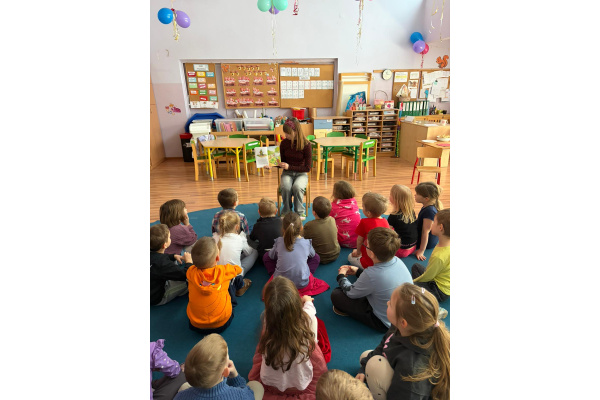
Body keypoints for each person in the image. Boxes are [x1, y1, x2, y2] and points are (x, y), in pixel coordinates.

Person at [356, 283, 450, 400]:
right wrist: (363, 368)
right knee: (366, 357)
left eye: (391, 304)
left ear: (403, 322)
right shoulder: (400, 327)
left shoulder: (412, 367)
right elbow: (384, 345)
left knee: (374, 365)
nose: (387, 303)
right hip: (399, 367)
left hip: (406, 390)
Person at [248, 276, 328, 399]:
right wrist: (307, 301)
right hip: (300, 384)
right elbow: (310, 312)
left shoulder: (267, 321)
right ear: (296, 301)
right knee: (315, 331)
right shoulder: (307, 319)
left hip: (271, 383)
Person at [331, 228, 412, 333]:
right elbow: (377, 281)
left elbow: (351, 293)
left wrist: (341, 276)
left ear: (372, 254)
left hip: (383, 323)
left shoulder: (371, 274)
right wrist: (358, 271)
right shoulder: (397, 260)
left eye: (367, 245)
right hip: (402, 314)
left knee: (336, 294)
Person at [186, 237, 250, 334]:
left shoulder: (190, 272)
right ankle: (242, 286)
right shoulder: (223, 271)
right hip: (222, 324)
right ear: (217, 258)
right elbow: (238, 269)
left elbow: (190, 268)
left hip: (195, 325)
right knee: (235, 279)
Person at [174, 333, 263, 400]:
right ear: (225, 372)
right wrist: (235, 377)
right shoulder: (240, 395)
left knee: (184, 386)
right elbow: (248, 394)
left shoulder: (180, 396)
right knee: (256, 386)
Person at [263, 212, 329, 296]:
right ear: (301, 228)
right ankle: (304, 274)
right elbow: (313, 255)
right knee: (316, 257)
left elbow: (271, 256)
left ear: (283, 229)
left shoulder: (279, 241)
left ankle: (274, 274)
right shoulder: (306, 243)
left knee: (266, 256)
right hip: (302, 284)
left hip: (281, 284)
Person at [412, 209, 450, 304]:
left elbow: (427, 277)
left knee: (410, 288)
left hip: (439, 291)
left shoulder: (439, 257)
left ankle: (429, 303)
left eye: (434, 222)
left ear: (440, 227)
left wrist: (412, 282)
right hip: (436, 278)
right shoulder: (445, 245)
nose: (431, 224)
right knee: (416, 267)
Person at [277, 117, 312, 218]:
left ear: (295, 131)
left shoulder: (306, 145)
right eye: (285, 133)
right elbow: (282, 162)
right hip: (287, 173)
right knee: (286, 187)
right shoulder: (284, 143)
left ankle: (299, 212)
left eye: (288, 133)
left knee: (297, 187)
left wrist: (289, 167)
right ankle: (286, 211)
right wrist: (271, 165)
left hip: (301, 174)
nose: (285, 135)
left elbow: (307, 168)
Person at [150, 224, 192, 306]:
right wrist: (189, 262)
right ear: (164, 245)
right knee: (190, 281)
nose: (170, 238)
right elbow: (185, 274)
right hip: (157, 297)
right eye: (169, 237)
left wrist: (173, 256)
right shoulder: (162, 263)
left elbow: (158, 257)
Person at [347, 192, 391, 269]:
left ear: (368, 213)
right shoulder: (385, 221)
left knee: (350, 257)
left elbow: (359, 240)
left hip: (368, 263)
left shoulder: (364, 222)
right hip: (382, 260)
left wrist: (358, 252)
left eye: (363, 207)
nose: (362, 208)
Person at [213, 210, 258, 277]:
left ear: (219, 227)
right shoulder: (240, 238)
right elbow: (248, 252)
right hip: (235, 276)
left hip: (217, 274)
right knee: (254, 252)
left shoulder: (214, 237)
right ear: (237, 227)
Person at [303, 196, 340, 264]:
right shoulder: (332, 219)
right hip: (336, 254)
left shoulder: (309, 226)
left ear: (314, 212)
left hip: (320, 258)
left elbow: (303, 240)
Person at [414, 182, 443, 261]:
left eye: (417, 194)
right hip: (424, 236)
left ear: (426, 198)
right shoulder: (427, 206)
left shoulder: (429, 211)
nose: (415, 195)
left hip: (427, 242)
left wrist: (421, 250)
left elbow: (425, 232)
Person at [387, 184, 418, 258]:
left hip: (400, 251)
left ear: (395, 200)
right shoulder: (411, 211)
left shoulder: (393, 216)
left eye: (390, 194)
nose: (389, 196)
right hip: (413, 247)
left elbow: (387, 233)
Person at [329, 180, 361, 248]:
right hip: (357, 240)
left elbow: (326, 219)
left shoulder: (333, 207)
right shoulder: (354, 202)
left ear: (335, 194)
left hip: (341, 241)